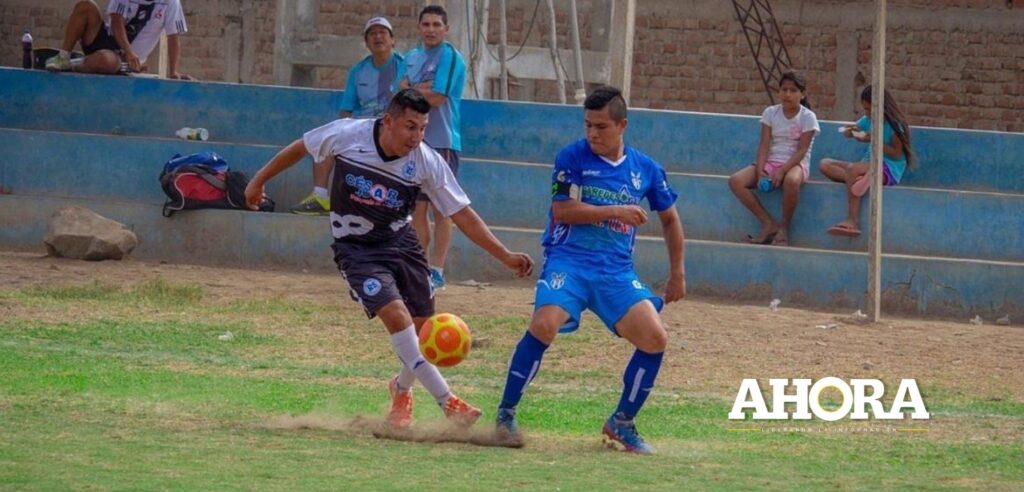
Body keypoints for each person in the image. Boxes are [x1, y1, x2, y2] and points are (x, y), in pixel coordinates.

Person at [244, 89, 534, 430]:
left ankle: (400, 390)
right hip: (357, 250)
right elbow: (302, 146)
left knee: (424, 328)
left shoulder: (425, 161)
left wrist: (504, 255)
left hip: (402, 244)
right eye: (410, 127)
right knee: (398, 318)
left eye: (423, 128)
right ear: (389, 121)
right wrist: (258, 181)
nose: (417, 136)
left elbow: (461, 213)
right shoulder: (348, 134)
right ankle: (448, 402)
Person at [493, 86, 686, 454]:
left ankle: (622, 423)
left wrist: (677, 272)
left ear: (622, 125)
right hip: (569, 260)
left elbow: (671, 219)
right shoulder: (572, 157)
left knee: (655, 339)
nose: (592, 134)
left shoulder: (645, 168)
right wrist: (616, 211)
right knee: (544, 325)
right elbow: (563, 211)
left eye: (601, 127)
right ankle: (505, 414)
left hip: (615, 272)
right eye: (588, 126)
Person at [290, 16, 404, 216]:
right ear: (366, 43)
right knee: (326, 139)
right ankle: (320, 197)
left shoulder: (404, 66)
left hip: (391, 130)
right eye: (372, 34)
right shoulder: (358, 71)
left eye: (383, 33)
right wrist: (341, 132)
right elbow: (346, 109)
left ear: (392, 40)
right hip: (362, 129)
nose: (378, 37)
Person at [400, 5, 468, 289]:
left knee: (443, 210)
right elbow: (398, 91)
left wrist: (414, 90)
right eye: (426, 24)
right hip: (415, 142)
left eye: (436, 24)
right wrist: (420, 89)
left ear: (445, 29)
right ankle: (418, 267)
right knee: (417, 209)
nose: (430, 29)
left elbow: (438, 97)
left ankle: (437, 270)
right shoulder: (411, 56)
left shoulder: (451, 57)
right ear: (419, 27)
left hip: (443, 142)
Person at [727, 71, 819, 246]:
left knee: (791, 181)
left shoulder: (808, 117)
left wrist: (783, 170)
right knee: (735, 181)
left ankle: (784, 227)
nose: (787, 94)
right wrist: (761, 171)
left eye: (793, 90)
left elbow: (802, 150)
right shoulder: (770, 113)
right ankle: (768, 223)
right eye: (784, 89)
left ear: (802, 94)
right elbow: (764, 144)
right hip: (771, 161)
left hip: (796, 164)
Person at [820, 85, 916, 237]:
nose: (867, 113)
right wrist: (851, 132)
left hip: (887, 168)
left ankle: (852, 220)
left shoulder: (895, 125)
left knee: (852, 169)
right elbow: (852, 131)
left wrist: (874, 140)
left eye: (869, 109)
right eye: (865, 109)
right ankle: (862, 180)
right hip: (866, 165)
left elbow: (896, 154)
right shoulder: (868, 120)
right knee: (825, 164)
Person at [44, 0, 190, 79]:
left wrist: (174, 71)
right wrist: (129, 50)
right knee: (86, 6)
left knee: (105, 60)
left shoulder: (171, 3)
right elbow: (116, 21)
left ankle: (74, 64)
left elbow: (173, 36)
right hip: (107, 38)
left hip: (122, 58)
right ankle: (63, 57)